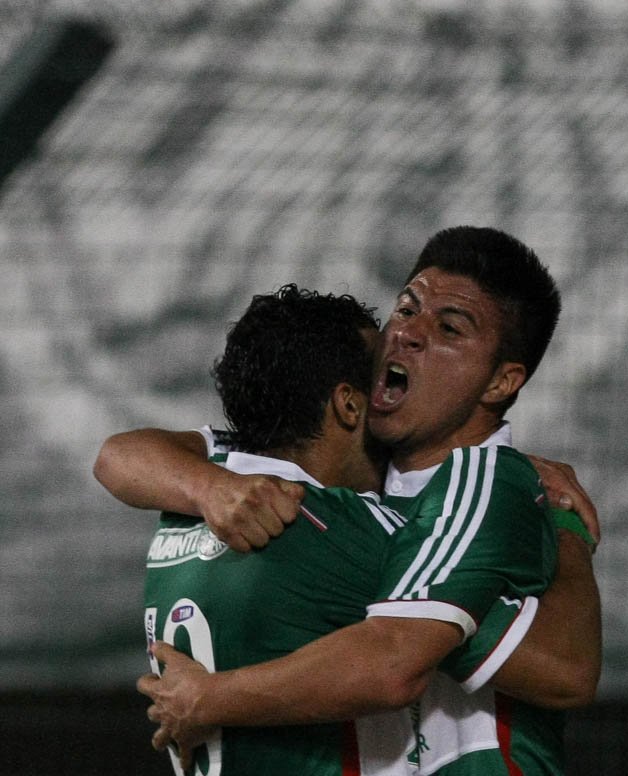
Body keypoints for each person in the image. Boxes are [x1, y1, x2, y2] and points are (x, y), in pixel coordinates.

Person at [96, 227, 601, 773]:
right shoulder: (334, 476)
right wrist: (210, 488)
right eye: (407, 309)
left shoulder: (479, 481)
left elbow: (558, 671)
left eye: (450, 327)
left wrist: (209, 699)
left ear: (501, 382)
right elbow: (118, 456)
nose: (407, 334)